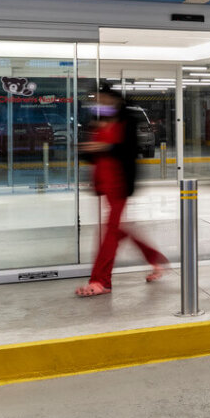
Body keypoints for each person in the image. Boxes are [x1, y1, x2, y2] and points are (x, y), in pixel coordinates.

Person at [75, 84, 168, 297]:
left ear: (114, 100)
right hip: (103, 184)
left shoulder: (127, 122)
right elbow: (90, 154)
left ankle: (101, 281)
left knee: (108, 234)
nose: (101, 104)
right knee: (118, 230)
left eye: (104, 100)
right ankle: (156, 260)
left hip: (119, 185)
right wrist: (87, 148)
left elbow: (128, 150)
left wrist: (103, 147)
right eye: (98, 101)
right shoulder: (99, 122)